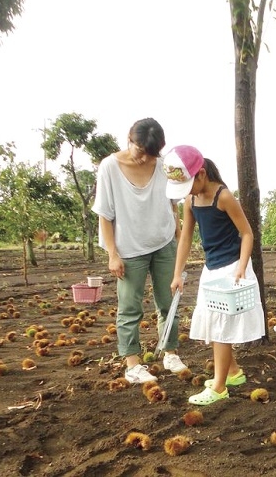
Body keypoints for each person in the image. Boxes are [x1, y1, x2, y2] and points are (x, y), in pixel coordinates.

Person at [165, 145, 265, 406]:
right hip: (211, 270)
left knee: (220, 326)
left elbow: (247, 234)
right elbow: (186, 237)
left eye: (188, 184)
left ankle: (219, 387)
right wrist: (178, 274)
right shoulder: (191, 201)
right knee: (212, 321)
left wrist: (242, 266)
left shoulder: (224, 197)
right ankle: (233, 372)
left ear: (201, 174)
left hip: (232, 269)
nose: (186, 191)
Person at [92, 118, 188, 384]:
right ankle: (132, 363)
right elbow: (104, 214)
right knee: (130, 307)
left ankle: (170, 353)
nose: (145, 158)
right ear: (129, 140)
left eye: (151, 153)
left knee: (169, 302)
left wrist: (180, 240)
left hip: (164, 243)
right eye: (140, 151)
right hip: (130, 248)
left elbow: (173, 206)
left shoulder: (164, 165)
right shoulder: (110, 167)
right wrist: (112, 253)